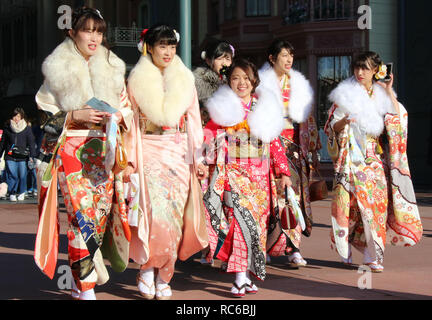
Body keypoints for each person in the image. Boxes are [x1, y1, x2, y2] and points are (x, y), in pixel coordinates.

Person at [34, 7, 133, 300]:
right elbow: (43, 116)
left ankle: (82, 278)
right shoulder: (57, 69)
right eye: (88, 30)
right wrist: (73, 114)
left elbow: (127, 108)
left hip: (105, 148)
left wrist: (116, 116)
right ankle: (85, 285)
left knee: (100, 217)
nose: (94, 37)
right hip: (72, 151)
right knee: (82, 217)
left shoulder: (114, 68)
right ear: (72, 32)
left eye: (99, 31)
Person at [125, 24, 209, 301]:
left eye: (172, 46)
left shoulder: (184, 79)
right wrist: (130, 160)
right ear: (149, 47)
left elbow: (194, 121)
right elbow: (130, 126)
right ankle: (147, 268)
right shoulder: (136, 79)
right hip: (148, 150)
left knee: (174, 219)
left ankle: (165, 273)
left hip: (177, 151)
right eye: (162, 46)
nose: (168, 52)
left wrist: (198, 157)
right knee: (153, 215)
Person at [324, 51, 423, 272]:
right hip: (352, 159)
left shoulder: (382, 94)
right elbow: (331, 126)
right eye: (357, 68)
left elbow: (399, 122)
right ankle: (347, 245)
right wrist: (345, 122)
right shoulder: (346, 95)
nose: (360, 72)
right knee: (351, 206)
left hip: (375, 159)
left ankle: (372, 255)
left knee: (376, 207)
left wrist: (389, 92)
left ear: (376, 71)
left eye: (366, 68)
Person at [203, 58, 292, 297]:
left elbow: (274, 142)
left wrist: (283, 172)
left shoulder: (264, 107)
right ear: (228, 81)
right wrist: (205, 158)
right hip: (234, 173)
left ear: (254, 82)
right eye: (235, 78)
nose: (241, 83)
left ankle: (249, 274)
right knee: (239, 223)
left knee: (257, 227)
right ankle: (240, 277)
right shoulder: (221, 107)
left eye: (246, 78)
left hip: (261, 177)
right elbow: (208, 136)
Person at [259, 39, 320, 267]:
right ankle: (265, 245)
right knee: (269, 199)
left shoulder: (298, 84)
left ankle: (293, 248)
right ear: (272, 58)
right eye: (284, 55)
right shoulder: (260, 84)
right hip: (268, 147)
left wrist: (310, 148)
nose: (289, 60)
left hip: (292, 147)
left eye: (291, 56)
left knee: (292, 198)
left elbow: (307, 119)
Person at [193, 38, 235, 265]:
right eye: (220, 57)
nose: (225, 62)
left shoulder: (235, 80)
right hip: (208, 142)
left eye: (228, 57)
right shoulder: (198, 82)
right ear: (208, 60)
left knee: (229, 195)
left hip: (231, 146)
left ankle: (227, 248)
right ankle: (208, 246)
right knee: (208, 194)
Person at [193, 38, 235, 126]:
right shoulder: (198, 80)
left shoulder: (231, 80)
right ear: (208, 61)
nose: (224, 63)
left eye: (227, 59)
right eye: (219, 59)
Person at [0, 108, 36, 202]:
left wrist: (32, 155)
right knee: (12, 175)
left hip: (22, 156)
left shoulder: (27, 128)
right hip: (10, 155)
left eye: (18, 116)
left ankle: (22, 192)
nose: (16, 118)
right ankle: (12, 192)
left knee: (23, 175)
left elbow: (31, 142)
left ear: (22, 117)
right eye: (15, 116)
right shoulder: (8, 128)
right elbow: (3, 143)